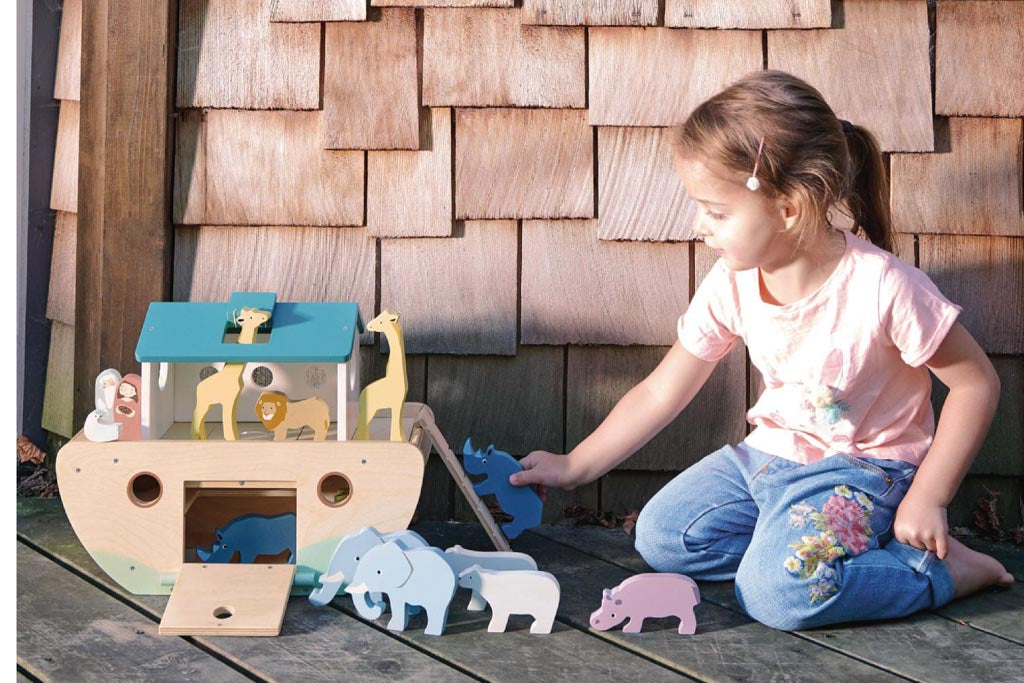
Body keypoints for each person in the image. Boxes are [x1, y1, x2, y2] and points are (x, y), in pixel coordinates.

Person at [508, 70, 1013, 630]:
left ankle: (937, 572)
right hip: (767, 458)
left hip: (865, 470)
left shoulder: (884, 288)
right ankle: (797, 550)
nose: (701, 227)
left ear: (788, 208)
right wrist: (577, 465)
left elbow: (976, 383)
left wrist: (929, 498)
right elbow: (662, 388)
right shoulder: (732, 281)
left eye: (717, 212)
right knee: (664, 537)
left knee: (777, 597)